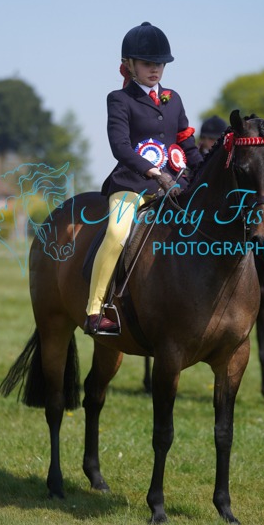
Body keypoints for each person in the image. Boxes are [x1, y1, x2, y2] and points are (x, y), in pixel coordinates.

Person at [84, 21, 203, 335]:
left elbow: (186, 143)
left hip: (175, 185)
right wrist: (154, 172)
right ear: (129, 64)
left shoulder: (173, 99)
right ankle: (96, 310)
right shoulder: (119, 99)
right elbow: (120, 147)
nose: (155, 69)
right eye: (148, 63)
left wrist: (203, 171)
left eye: (160, 64)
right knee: (117, 233)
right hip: (132, 184)